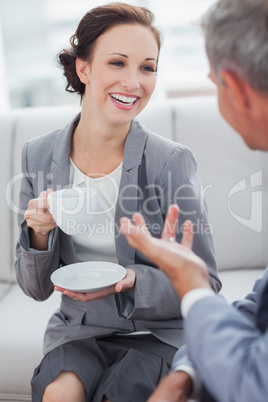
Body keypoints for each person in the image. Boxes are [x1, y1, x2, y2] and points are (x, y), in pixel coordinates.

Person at [14, 3, 220, 402]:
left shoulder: (170, 162)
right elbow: (35, 289)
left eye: (147, 67)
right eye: (117, 63)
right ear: (84, 69)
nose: (133, 82)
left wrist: (133, 280)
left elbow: (206, 285)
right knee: (60, 394)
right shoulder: (37, 156)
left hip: (160, 333)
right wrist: (37, 235)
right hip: (81, 330)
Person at [120, 0, 268, 401]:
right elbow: (260, 308)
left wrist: (191, 283)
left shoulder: (170, 158)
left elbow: (255, 383)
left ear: (236, 89)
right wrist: (186, 371)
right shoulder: (43, 154)